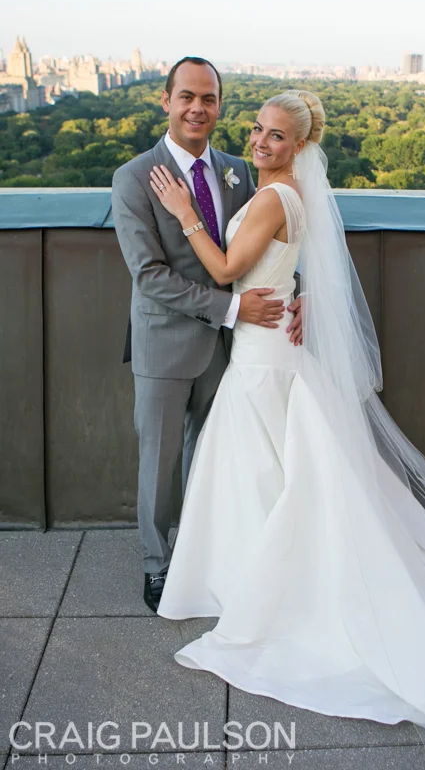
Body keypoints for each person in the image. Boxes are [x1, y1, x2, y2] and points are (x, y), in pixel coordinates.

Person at [155, 89, 425, 767]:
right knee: (278, 465)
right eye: (259, 131)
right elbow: (285, 270)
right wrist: (294, 296)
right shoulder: (291, 192)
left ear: (299, 145)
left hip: (262, 358)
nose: (261, 143)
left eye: (276, 137)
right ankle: (258, 567)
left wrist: (184, 213)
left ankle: (262, 578)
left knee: (264, 462)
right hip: (275, 348)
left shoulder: (273, 198)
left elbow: (226, 270)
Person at [112, 57, 303, 612]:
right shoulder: (134, 177)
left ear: (220, 105)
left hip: (234, 349)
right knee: (161, 460)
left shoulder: (239, 170)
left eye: (210, 98)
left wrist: (302, 292)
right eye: (187, 97)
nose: (198, 108)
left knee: (218, 457)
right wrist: (232, 307)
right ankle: (157, 563)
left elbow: (274, 243)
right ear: (166, 101)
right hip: (167, 344)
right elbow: (149, 276)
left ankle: (209, 556)